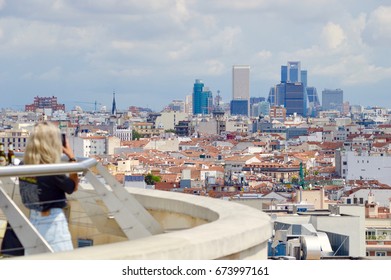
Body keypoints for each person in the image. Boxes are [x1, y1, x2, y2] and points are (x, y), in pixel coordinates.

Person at [19, 121, 79, 254]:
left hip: (32, 220)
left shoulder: (23, 165)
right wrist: (72, 158)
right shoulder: (50, 169)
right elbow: (72, 187)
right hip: (52, 222)